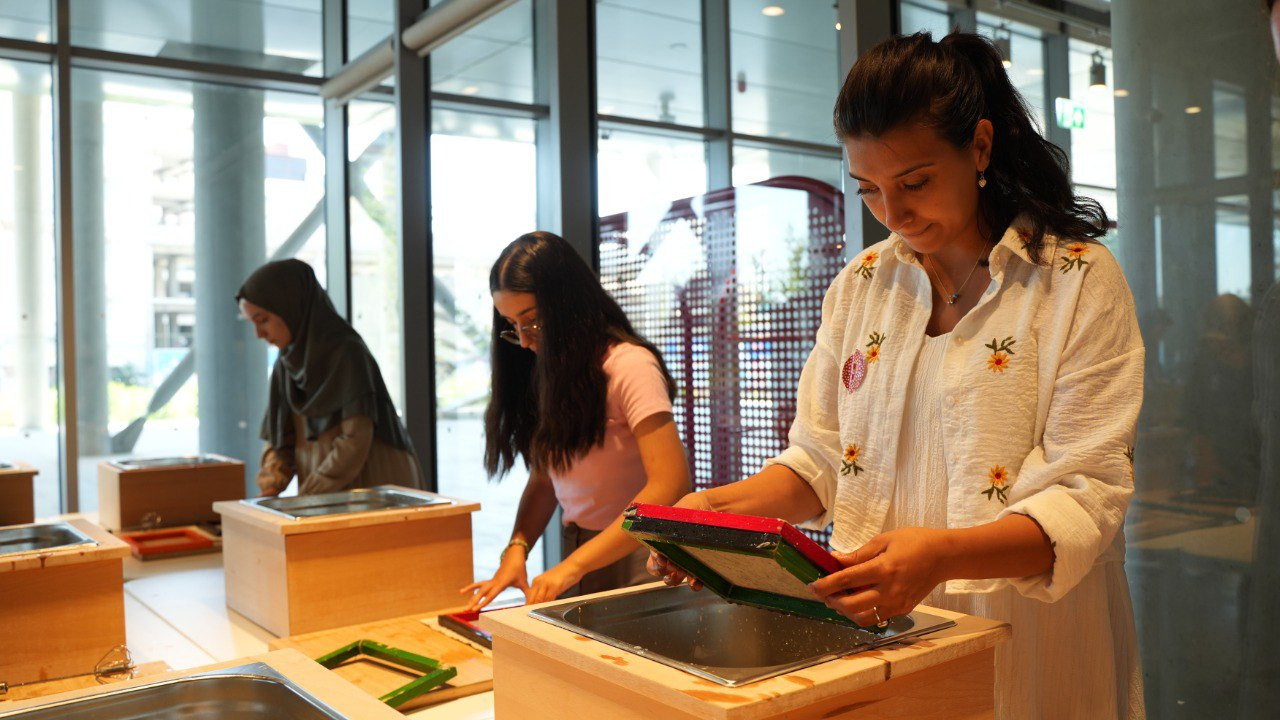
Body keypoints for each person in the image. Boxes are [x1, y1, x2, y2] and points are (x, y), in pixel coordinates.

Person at [651, 32, 1144, 719]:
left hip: (1033, 627)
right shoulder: (862, 285)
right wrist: (716, 514)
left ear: (979, 147)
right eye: (870, 190)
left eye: (914, 183)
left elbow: (1087, 492)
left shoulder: (1075, 280)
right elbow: (821, 460)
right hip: (882, 625)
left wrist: (940, 558)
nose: (894, 213)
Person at [462, 231, 690, 610]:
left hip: (642, 554)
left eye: (532, 322)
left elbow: (670, 484)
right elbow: (546, 477)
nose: (523, 341)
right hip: (582, 548)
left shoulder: (629, 365)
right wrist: (517, 547)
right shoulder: (552, 372)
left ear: (568, 305)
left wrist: (573, 567)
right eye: (512, 325)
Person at [237, 259, 425, 496]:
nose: (258, 334)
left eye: (263, 320)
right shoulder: (287, 363)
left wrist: (306, 497)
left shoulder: (346, 352)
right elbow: (281, 438)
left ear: (290, 306)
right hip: (326, 491)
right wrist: (270, 487)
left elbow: (355, 439)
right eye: (253, 323)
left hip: (375, 487)